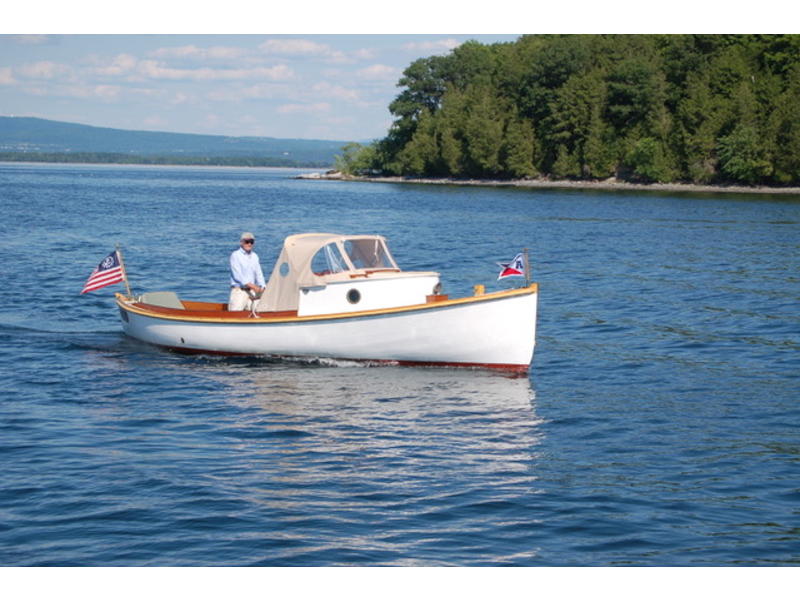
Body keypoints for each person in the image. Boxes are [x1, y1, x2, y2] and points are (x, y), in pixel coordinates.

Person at [229, 231, 266, 311]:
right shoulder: (235, 255)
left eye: (251, 242)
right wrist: (252, 286)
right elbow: (237, 276)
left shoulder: (255, 256)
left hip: (252, 292)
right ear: (241, 242)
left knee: (257, 313)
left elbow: (259, 273)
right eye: (246, 241)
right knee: (235, 316)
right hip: (239, 291)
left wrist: (262, 286)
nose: (249, 244)